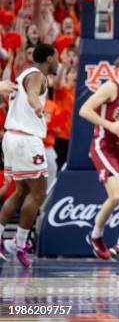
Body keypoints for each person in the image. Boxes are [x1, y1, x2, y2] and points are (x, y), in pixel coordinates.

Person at [0, 44, 58, 267]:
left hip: (11, 137)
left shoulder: (24, 72)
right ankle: (20, 242)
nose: (58, 63)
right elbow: (33, 95)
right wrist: (38, 108)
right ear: (49, 59)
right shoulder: (37, 77)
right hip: (26, 140)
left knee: (21, 190)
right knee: (39, 193)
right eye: (57, 59)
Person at [79, 54, 119, 261]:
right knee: (116, 196)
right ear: (117, 69)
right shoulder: (111, 87)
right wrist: (110, 125)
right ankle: (95, 236)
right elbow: (84, 110)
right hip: (103, 145)